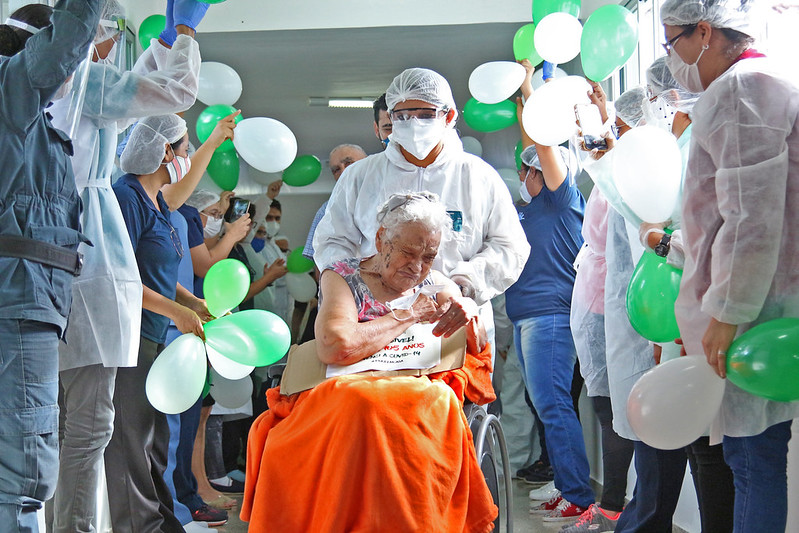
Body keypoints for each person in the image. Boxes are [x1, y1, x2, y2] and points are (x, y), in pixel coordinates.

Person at [241, 193, 498, 532]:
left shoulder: (435, 282)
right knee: (359, 402)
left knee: (431, 401)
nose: (418, 266)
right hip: (344, 387)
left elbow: (473, 342)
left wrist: (468, 314)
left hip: (416, 391)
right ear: (380, 239)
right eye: (408, 252)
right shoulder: (344, 277)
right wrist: (409, 314)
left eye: (429, 256)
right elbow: (336, 346)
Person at [46, 0, 210, 529]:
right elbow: (168, 97)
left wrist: (160, 44)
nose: (115, 45)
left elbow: (129, 95)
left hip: (58, 256)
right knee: (89, 427)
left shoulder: (62, 87)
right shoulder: (78, 82)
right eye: (112, 32)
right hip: (85, 262)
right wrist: (182, 31)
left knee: (55, 425)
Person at [661, 1, 799, 531]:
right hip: (755, 303)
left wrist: (727, 310)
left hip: (754, 311)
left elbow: (750, 214)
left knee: (754, 459)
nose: (672, 59)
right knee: (752, 457)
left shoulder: (746, 88)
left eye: (673, 43)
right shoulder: (754, 84)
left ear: (705, 30)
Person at [312, 67, 530, 351]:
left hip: (453, 321)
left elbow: (509, 247)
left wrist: (461, 287)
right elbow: (332, 244)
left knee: (455, 395)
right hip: (377, 325)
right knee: (377, 396)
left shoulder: (479, 176)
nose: (413, 124)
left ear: (449, 116)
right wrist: (366, 293)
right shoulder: (361, 176)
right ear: (389, 118)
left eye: (425, 115)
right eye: (402, 116)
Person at [0, 1, 101, 530]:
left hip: (25, 300)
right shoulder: (8, 93)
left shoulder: (28, 127)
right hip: (16, 302)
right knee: (22, 466)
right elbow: (64, 44)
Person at [108, 114, 220, 532]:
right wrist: (178, 313)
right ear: (164, 151)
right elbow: (121, 276)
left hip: (156, 338)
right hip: (130, 337)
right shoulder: (127, 196)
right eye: (186, 148)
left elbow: (157, 270)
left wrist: (190, 299)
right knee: (131, 443)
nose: (188, 157)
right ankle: (140, 526)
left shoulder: (157, 202)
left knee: (155, 442)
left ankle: (163, 522)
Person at [508, 64, 591, 521]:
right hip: (526, 316)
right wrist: (524, 92)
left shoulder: (562, 201)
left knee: (554, 405)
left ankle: (579, 498)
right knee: (546, 406)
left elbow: (539, 143)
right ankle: (568, 486)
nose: (524, 171)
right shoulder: (530, 209)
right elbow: (531, 145)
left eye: (530, 168)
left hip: (551, 316)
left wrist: (529, 87)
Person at [302, 144, 367, 262]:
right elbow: (320, 268)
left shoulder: (391, 196)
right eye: (336, 170)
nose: (344, 171)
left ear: (368, 163)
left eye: (349, 163)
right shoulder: (326, 210)